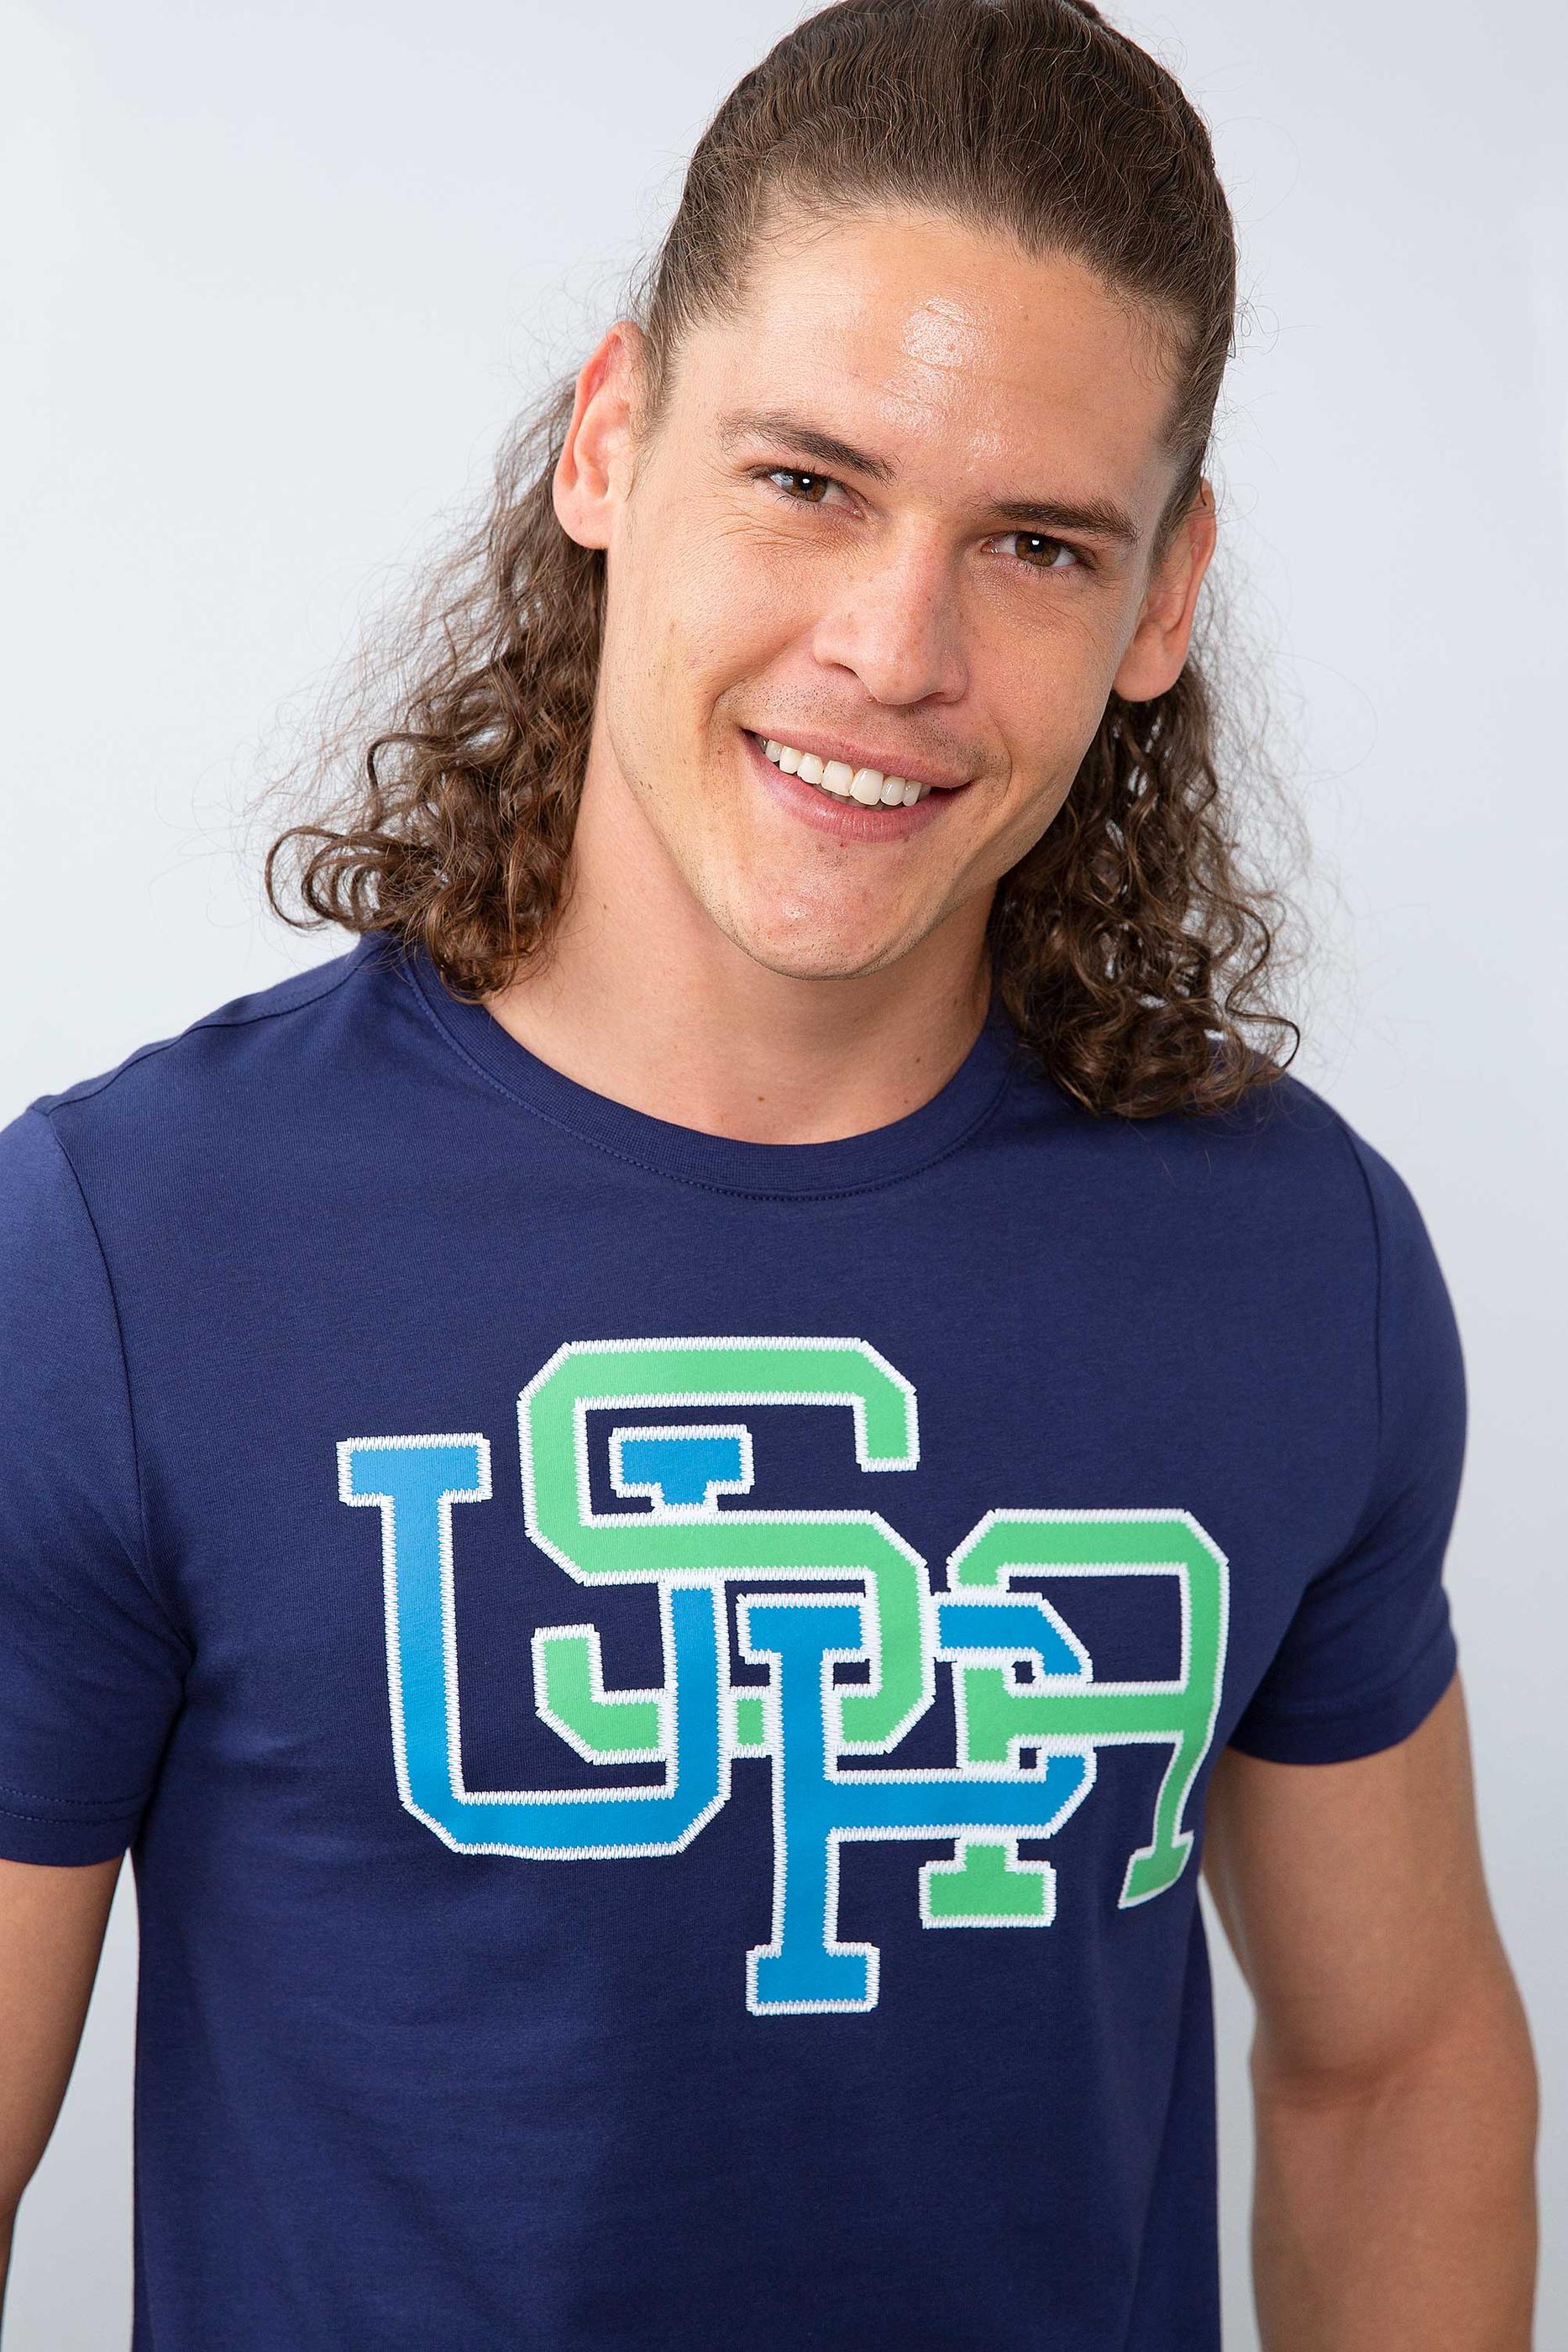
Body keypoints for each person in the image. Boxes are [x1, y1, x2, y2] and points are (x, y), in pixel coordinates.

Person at [0, 0, 1539, 2344]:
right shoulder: (133, 1256)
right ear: (609, 441)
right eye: (809, 481)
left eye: (1034, 543)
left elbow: (1391, 2067)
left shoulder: (1292, 1260)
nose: (892, 649)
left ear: (1161, 599)